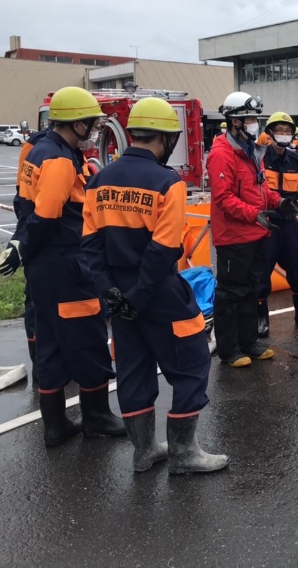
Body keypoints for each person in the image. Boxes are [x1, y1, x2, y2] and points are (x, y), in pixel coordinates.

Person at [82, 98, 227, 475]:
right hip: (158, 293)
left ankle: (144, 451)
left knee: (134, 369)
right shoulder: (168, 183)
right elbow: (163, 249)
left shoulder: (99, 179)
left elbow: (90, 246)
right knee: (193, 363)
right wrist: (139, 295)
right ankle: (183, 453)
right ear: (165, 139)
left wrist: (111, 293)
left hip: (117, 295)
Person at [15, 86, 126, 447]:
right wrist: (26, 247)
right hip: (66, 263)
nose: (94, 130)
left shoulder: (38, 148)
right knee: (87, 338)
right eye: (91, 124)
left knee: (49, 343)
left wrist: (21, 249)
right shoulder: (61, 161)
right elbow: (47, 217)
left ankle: (56, 425)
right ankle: (97, 417)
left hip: (43, 268)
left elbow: (24, 204)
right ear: (76, 124)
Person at [207, 91, 295, 368]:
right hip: (234, 238)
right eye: (250, 118)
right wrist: (254, 215)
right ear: (235, 121)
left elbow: (260, 187)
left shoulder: (251, 151)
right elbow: (223, 199)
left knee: (250, 291)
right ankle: (229, 349)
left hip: (255, 234)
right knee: (230, 293)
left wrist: (278, 201)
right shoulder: (222, 154)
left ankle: (249, 343)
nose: (255, 123)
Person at [0, 127, 52, 384]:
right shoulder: (42, 149)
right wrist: (23, 242)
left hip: (49, 238)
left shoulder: (45, 147)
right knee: (38, 304)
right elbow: (25, 199)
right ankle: (41, 365)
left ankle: (48, 366)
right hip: (43, 237)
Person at [258, 112, 298, 334]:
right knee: (261, 272)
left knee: (297, 268)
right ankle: (261, 318)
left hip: (289, 223)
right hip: (266, 223)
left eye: (287, 131)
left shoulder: (297, 160)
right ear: (270, 133)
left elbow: (297, 190)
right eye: (279, 131)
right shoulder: (259, 158)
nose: (283, 135)